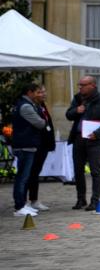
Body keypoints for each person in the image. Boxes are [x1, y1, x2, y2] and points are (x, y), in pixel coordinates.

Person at [65, 75, 100, 211]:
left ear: (92, 85)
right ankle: (81, 199)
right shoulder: (77, 99)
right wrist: (76, 110)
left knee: (95, 170)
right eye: (79, 85)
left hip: (95, 140)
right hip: (78, 138)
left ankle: (94, 200)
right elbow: (68, 114)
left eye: (83, 85)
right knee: (78, 170)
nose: (80, 87)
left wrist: (98, 133)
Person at [11, 83, 48, 217]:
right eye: (37, 92)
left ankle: (22, 204)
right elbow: (40, 123)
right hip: (25, 145)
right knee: (22, 177)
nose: (39, 94)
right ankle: (19, 206)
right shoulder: (26, 106)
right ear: (29, 92)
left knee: (24, 176)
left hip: (26, 144)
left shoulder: (26, 104)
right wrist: (43, 120)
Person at [26, 84, 56, 212]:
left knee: (35, 173)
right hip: (34, 144)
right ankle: (27, 201)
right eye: (40, 92)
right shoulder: (31, 107)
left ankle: (34, 200)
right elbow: (40, 123)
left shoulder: (41, 106)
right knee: (30, 173)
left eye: (44, 91)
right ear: (32, 93)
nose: (44, 94)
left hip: (43, 144)